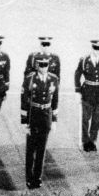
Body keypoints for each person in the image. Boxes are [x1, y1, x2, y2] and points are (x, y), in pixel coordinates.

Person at [21, 54, 59, 189]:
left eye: (46, 65)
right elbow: (24, 100)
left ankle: (37, 177)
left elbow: (55, 100)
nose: (43, 67)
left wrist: (54, 120)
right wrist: (24, 121)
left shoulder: (53, 79)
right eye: (41, 65)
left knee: (41, 150)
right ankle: (29, 178)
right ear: (37, 65)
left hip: (45, 116)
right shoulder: (30, 79)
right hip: (34, 115)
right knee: (31, 150)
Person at [73, 38, 99, 151]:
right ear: (92, 48)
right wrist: (78, 91)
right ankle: (85, 141)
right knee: (85, 119)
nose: (97, 50)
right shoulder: (84, 60)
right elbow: (77, 75)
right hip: (87, 92)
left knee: (97, 119)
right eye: (95, 48)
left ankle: (92, 141)